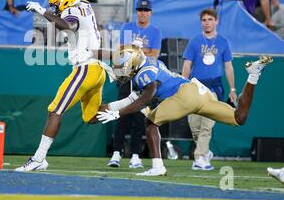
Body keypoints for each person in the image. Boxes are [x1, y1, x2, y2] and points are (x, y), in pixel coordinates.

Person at [97, 45, 273, 176]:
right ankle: (253, 75)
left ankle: (158, 167)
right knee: (238, 117)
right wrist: (110, 108)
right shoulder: (150, 64)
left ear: (134, 63)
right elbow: (134, 99)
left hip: (185, 95)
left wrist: (118, 113)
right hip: (200, 92)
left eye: (123, 67)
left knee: (150, 123)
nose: (121, 71)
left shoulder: (144, 73)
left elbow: (147, 97)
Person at [15, 0, 109, 172]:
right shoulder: (85, 4)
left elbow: (69, 25)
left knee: (55, 111)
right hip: (99, 70)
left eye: (56, 4)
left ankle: (39, 158)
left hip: (86, 69)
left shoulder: (72, 9)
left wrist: (42, 11)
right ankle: (130, 104)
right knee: (91, 116)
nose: (55, 8)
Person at [108, 0, 162, 169]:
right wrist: (136, 49)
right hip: (127, 75)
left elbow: (154, 53)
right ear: (136, 12)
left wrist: (137, 49)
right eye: (139, 10)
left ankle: (135, 155)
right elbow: (122, 49)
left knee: (140, 117)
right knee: (122, 114)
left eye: (146, 10)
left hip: (145, 77)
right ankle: (116, 153)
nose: (142, 13)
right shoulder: (127, 27)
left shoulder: (155, 31)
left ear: (150, 13)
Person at [182, 9, 237, 170]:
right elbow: (187, 65)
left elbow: (228, 66)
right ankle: (205, 152)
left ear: (216, 21)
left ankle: (199, 158)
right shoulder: (195, 41)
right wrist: (183, 85)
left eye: (210, 19)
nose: (207, 22)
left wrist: (232, 89)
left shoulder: (223, 42)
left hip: (213, 87)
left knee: (207, 124)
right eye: (204, 20)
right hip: (195, 86)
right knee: (194, 126)